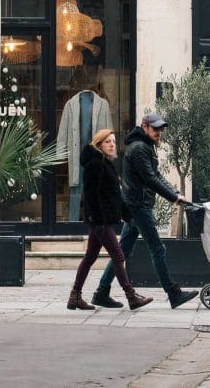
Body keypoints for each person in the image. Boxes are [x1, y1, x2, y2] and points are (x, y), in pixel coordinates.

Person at [91, 113, 199, 309]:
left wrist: (175, 192)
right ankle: (173, 293)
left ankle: (101, 292)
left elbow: (156, 175)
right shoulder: (140, 148)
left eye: (160, 129)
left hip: (136, 205)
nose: (159, 133)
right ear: (144, 127)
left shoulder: (145, 146)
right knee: (157, 248)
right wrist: (173, 197)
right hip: (138, 206)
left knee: (122, 251)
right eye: (155, 129)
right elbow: (150, 179)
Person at [67, 129, 153, 311]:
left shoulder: (106, 164)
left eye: (113, 141)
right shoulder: (96, 165)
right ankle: (131, 296)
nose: (112, 144)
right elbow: (90, 195)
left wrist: (127, 215)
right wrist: (96, 219)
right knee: (118, 256)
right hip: (100, 220)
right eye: (107, 142)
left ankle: (75, 296)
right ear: (99, 145)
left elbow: (114, 195)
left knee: (90, 256)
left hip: (101, 219)